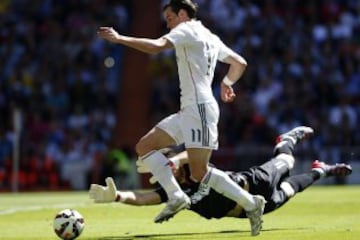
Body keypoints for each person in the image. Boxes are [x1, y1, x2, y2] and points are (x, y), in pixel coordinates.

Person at [97, 0, 266, 235]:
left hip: (199, 109)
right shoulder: (210, 36)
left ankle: (251, 203)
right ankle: (176, 195)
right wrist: (227, 83)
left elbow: (156, 47)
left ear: (183, 14)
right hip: (190, 109)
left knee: (199, 172)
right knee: (145, 146)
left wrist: (120, 39)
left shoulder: (186, 29)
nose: (168, 24)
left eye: (169, 18)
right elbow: (240, 63)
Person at [89, 126, 352, 232]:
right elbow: (145, 198)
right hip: (246, 209)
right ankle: (323, 170)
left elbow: (183, 156)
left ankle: (285, 140)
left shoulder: (195, 165)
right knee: (289, 190)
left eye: (168, 168)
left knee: (287, 162)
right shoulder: (172, 190)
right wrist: (118, 197)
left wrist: (168, 162)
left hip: (253, 182)